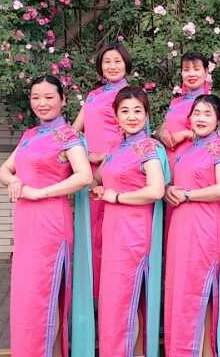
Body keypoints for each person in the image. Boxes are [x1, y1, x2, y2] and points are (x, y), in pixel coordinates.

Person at [0, 75, 92, 357]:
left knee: (44, 298)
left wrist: (41, 193)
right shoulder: (29, 135)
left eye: (49, 97)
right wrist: (14, 181)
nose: (42, 103)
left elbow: (84, 176)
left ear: (63, 100)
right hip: (26, 222)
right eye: (36, 97)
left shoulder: (69, 136)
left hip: (50, 222)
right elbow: (3, 170)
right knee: (26, 299)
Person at [93, 87, 167, 357]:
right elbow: (97, 178)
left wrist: (117, 196)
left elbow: (156, 190)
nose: (132, 116)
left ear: (146, 115)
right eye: (125, 111)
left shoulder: (150, 148)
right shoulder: (116, 148)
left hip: (134, 234)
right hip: (114, 232)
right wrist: (98, 187)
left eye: (138, 111)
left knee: (125, 301)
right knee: (116, 303)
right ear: (116, 116)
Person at [163, 94, 220, 357]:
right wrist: (169, 191)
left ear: (218, 121)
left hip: (204, 226)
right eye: (197, 113)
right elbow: (176, 184)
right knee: (180, 291)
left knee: (199, 291)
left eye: (208, 114)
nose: (201, 118)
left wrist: (187, 195)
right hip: (180, 225)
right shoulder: (187, 150)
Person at [72, 41, 133, 300]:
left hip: (116, 170)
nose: (112, 66)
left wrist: (104, 156)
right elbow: (74, 131)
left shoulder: (130, 95)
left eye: (117, 61)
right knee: (92, 235)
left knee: (112, 237)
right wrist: (74, 153)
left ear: (126, 64)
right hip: (89, 174)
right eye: (107, 61)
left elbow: (134, 137)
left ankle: (115, 297)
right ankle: (93, 300)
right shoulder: (93, 95)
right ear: (100, 66)